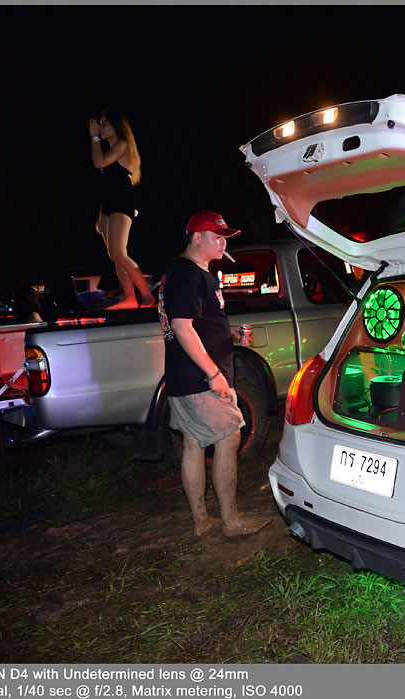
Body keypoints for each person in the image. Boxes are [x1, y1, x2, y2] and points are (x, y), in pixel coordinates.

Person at [158, 211, 270, 538]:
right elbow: (181, 326)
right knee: (228, 436)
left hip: (183, 377)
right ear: (196, 237)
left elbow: (195, 323)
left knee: (194, 444)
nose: (223, 243)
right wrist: (213, 374)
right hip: (199, 379)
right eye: (216, 236)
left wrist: (228, 334)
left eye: (225, 238)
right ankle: (231, 522)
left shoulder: (185, 272)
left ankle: (201, 521)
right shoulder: (188, 273)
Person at [89, 108, 155, 310]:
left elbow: (99, 162)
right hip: (108, 205)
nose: (101, 127)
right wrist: (100, 214)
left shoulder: (123, 144)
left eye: (104, 122)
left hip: (122, 203)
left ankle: (146, 295)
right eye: (100, 123)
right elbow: (106, 185)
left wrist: (94, 137)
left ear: (116, 126)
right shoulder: (110, 149)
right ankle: (130, 298)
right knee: (115, 256)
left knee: (118, 253)